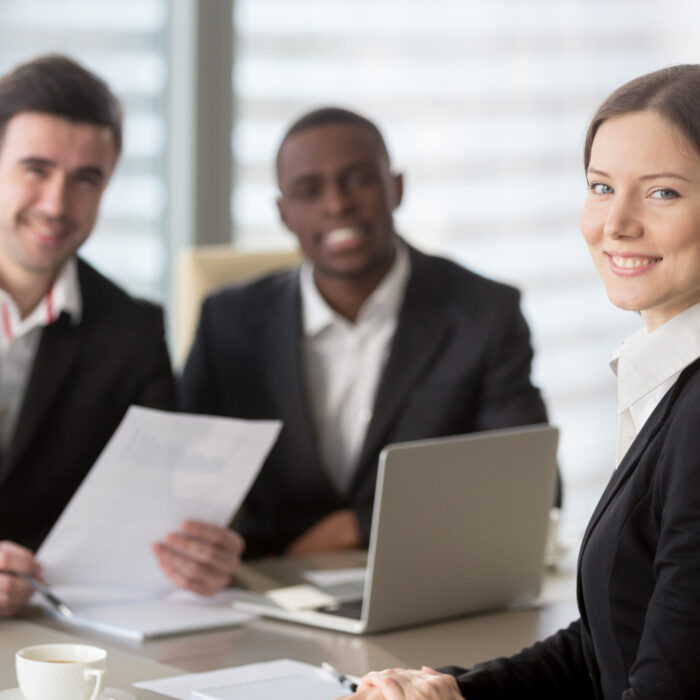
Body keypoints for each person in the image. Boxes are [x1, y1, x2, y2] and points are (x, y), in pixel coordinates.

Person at [344, 63, 700, 699]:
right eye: (600, 187)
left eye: (662, 193)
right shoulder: (667, 378)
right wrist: (457, 692)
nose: (615, 223)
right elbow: (607, 648)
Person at [181, 106, 552, 560]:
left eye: (358, 179)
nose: (337, 204)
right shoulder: (229, 322)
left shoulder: (484, 312)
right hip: (269, 587)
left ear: (396, 187)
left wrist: (354, 526)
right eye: (308, 190)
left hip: (431, 573)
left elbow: (531, 485)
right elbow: (183, 485)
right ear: (283, 213)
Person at [0, 54, 241, 617]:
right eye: (36, 169)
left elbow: (161, 512)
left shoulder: (132, 331)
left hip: (54, 635)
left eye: (86, 179)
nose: (58, 205)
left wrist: (201, 557)